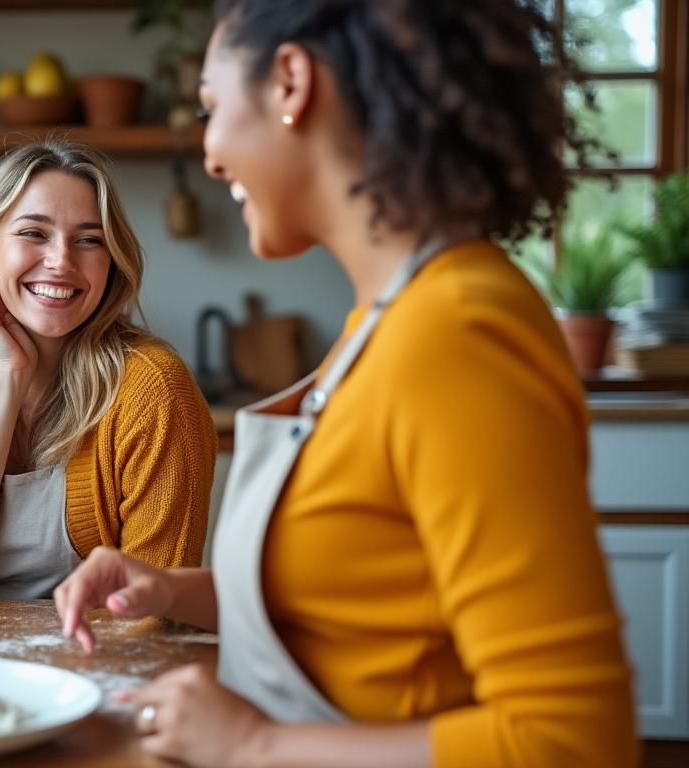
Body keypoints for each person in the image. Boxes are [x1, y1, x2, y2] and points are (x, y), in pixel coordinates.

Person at [54, 2, 638, 766]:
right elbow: (355, 607)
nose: (212, 155)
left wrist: (253, 746)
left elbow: (573, 742)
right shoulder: (384, 322)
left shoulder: (453, 334)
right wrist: (170, 590)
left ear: (291, 82)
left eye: (213, 108)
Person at [0, 141, 216, 599]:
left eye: (88, 240)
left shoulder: (154, 389)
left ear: (111, 262)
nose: (62, 261)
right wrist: (8, 379)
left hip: (93, 662)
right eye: (34, 233)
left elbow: (155, 612)